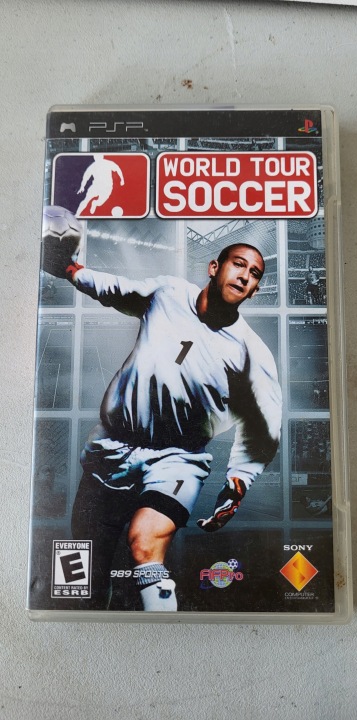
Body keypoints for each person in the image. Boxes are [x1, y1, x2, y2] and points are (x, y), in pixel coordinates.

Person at [59, 240, 282, 611]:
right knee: (84, 570)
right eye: (238, 264)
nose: (244, 276)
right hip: (110, 448)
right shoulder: (167, 294)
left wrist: (238, 483)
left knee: (145, 545)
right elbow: (115, 289)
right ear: (214, 267)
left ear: (255, 290)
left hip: (176, 460)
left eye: (254, 273)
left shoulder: (251, 353)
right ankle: (85, 623)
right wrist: (71, 270)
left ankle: (164, 630)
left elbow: (264, 427)